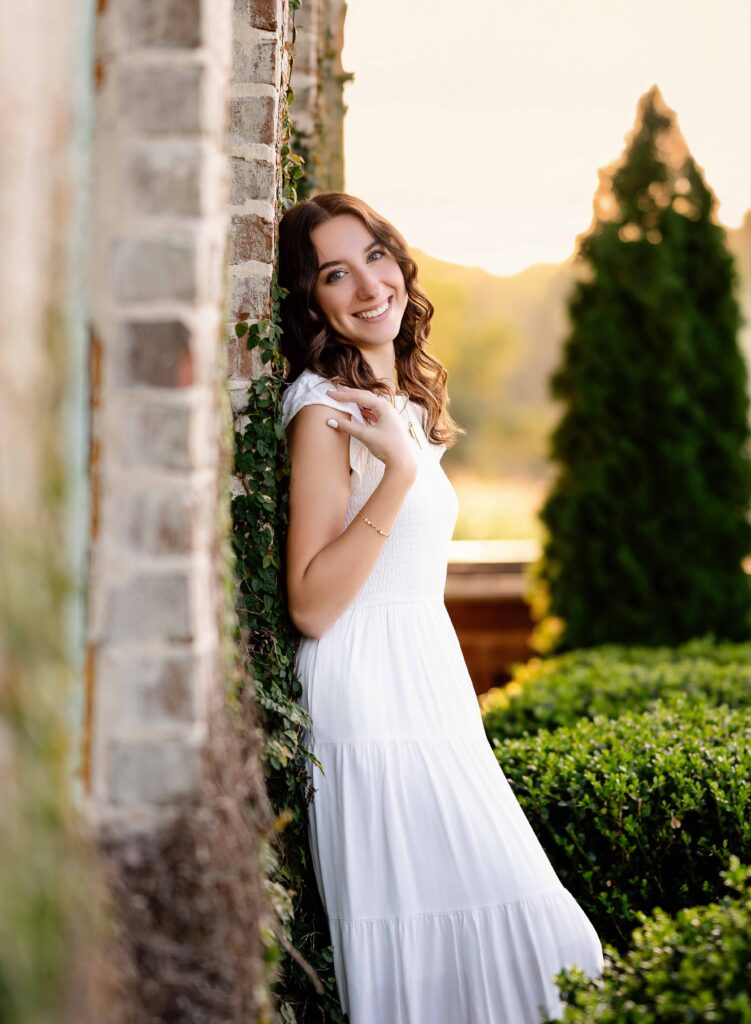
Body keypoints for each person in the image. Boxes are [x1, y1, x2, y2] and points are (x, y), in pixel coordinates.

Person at [277, 192, 603, 1024]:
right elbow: (312, 604)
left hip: (425, 683)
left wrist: (402, 461)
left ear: (400, 262)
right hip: (369, 696)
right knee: (518, 938)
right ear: (312, 301)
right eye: (334, 275)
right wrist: (397, 478)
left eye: (375, 256)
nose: (366, 287)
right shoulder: (326, 411)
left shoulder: (397, 400)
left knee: (531, 938)